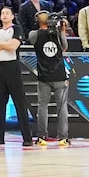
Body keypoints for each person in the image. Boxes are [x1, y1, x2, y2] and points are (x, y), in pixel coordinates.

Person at [0, 7, 32, 147]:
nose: (4, 15)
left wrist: (0, 44)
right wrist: (3, 45)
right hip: (0, 68)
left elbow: (13, 46)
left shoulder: (17, 29)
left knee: (20, 103)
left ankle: (27, 137)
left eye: (7, 13)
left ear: (13, 16)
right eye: (2, 13)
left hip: (13, 67)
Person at [30, 11, 70, 146]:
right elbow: (64, 47)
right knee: (62, 107)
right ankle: (63, 137)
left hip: (43, 76)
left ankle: (42, 136)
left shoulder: (33, 35)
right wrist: (62, 30)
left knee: (42, 106)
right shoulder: (58, 33)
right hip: (59, 74)